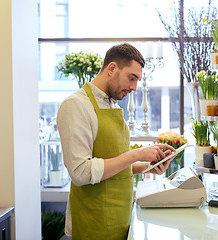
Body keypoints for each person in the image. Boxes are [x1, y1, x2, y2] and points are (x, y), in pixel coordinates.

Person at [57, 43, 175, 240]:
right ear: (112, 68)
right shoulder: (76, 105)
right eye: (132, 78)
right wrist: (136, 154)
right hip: (94, 222)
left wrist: (145, 167)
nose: (134, 87)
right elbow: (80, 172)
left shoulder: (111, 104)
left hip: (121, 220)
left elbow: (111, 164)